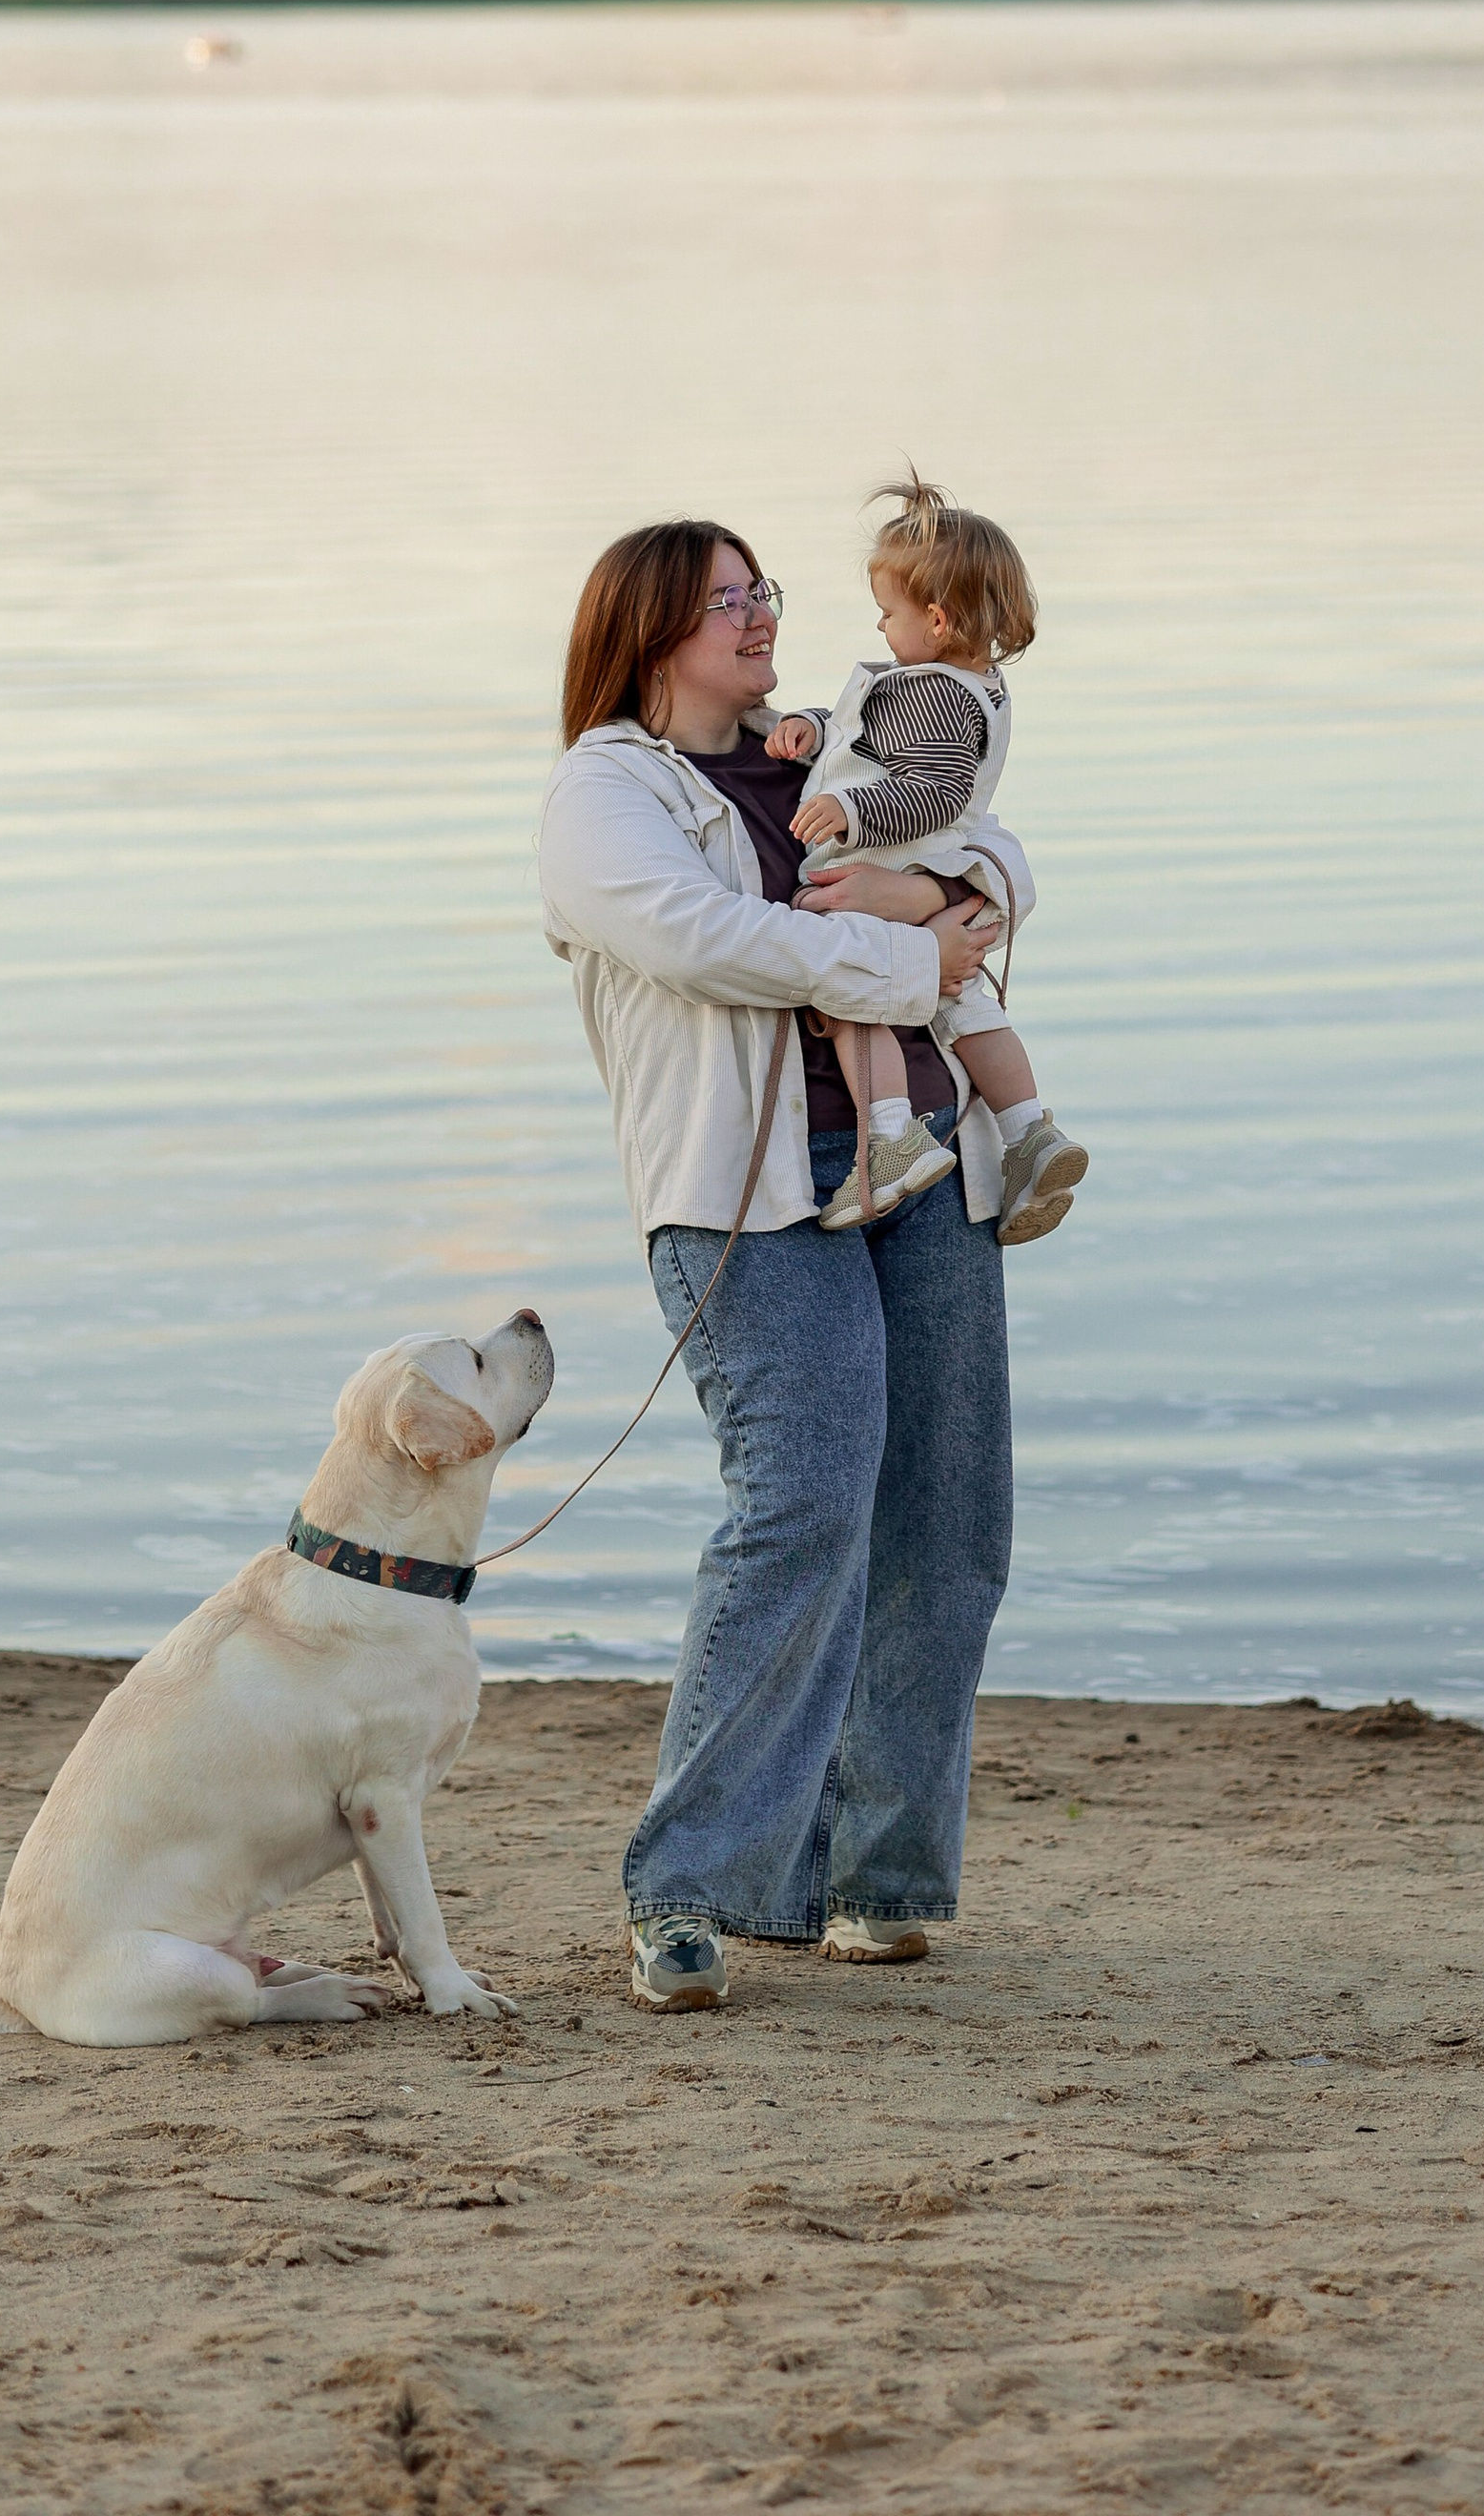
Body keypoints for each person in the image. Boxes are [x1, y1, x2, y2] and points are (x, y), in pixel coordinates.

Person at [537, 516, 1031, 2012]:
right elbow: (703, 942)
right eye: (723, 604)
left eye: (762, 594)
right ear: (647, 635)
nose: (757, 620)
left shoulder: (827, 748)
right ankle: (686, 1891)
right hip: (741, 1198)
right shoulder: (605, 793)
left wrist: (946, 905)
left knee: (945, 1521)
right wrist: (914, 951)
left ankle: (873, 1885)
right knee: (801, 1506)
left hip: (927, 1163)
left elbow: (994, 843)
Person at [764, 474, 1087, 1245]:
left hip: (883, 871)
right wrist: (812, 725)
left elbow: (930, 787)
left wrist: (850, 808)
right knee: (968, 1002)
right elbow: (867, 740)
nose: (880, 628)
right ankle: (1029, 1130)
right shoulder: (977, 686)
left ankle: (889, 1137)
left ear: (935, 620)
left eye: (888, 613)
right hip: (934, 874)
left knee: (849, 984)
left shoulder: (931, 693)